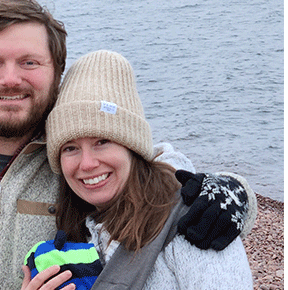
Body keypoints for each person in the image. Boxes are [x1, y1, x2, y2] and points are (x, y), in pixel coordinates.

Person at [0, 1, 256, 289]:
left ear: (57, 73)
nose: (10, 79)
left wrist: (237, 192)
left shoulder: (72, 152)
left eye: (30, 62)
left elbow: (155, 169)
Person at [36, 49, 253, 289]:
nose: (87, 164)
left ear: (132, 147)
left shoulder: (195, 223)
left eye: (102, 142)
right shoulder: (77, 228)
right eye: (70, 148)